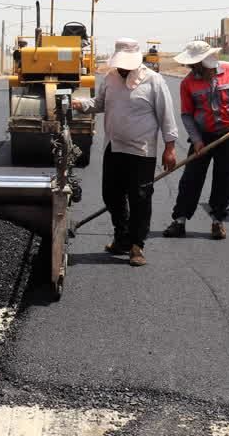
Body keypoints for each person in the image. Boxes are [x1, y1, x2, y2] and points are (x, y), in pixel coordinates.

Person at [72, 37, 179, 267]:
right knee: (111, 195)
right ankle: (121, 237)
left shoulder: (153, 81)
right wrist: (81, 104)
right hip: (114, 147)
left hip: (141, 152)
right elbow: (100, 103)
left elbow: (166, 116)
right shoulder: (110, 78)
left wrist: (170, 148)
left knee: (140, 198)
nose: (122, 68)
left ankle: (136, 245)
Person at [165, 41, 229, 240]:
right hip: (202, 137)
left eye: (195, 64)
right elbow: (186, 115)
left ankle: (218, 221)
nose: (191, 68)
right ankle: (180, 221)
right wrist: (197, 140)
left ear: (206, 61)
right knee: (191, 179)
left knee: (225, 178)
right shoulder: (188, 83)